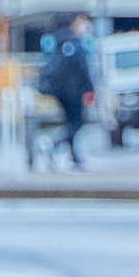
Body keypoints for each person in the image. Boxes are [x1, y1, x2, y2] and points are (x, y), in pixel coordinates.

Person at [38, 14, 96, 168]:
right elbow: (82, 70)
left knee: (71, 123)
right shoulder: (74, 44)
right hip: (73, 92)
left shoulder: (60, 42)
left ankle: (73, 155)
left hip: (61, 91)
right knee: (76, 123)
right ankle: (55, 144)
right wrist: (89, 89)